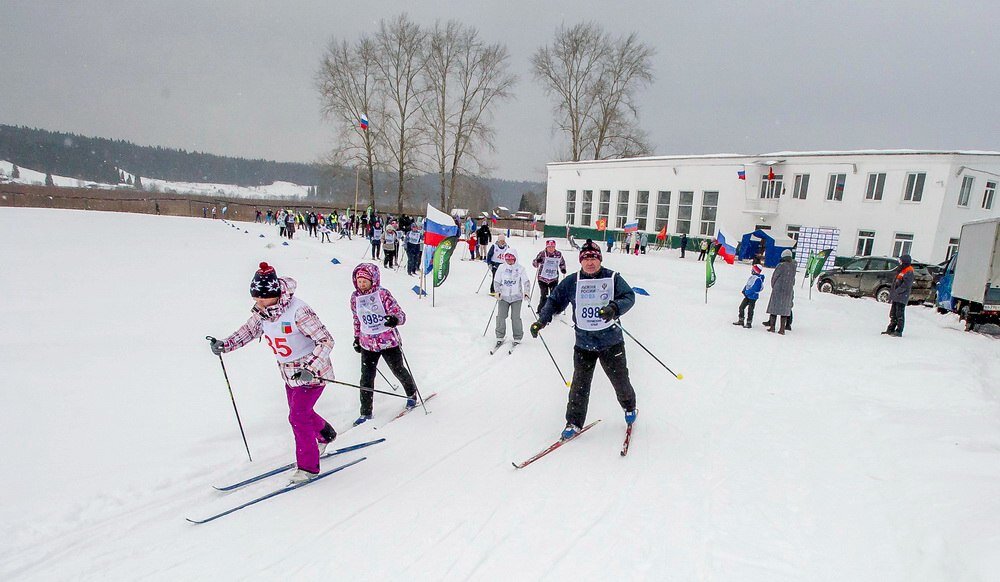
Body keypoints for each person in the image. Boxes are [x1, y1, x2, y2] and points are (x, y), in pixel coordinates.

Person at [208, 262, 337, 484]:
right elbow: (247, 332)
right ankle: (325, 434)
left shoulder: (299, 311)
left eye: (261, 298)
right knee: (300, 413)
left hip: (312, 374)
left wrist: (310, 368)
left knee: (297, 416)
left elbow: (326, 341)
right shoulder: (264, 313)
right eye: (255, 298)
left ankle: (308, 467)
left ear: (275, 294)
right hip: (289, 375)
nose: (257, 302)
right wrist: (225, 344)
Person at [530, 239, 638, 440]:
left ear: (600, 260)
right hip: (584, 344)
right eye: (586, 259)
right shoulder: (573, 281)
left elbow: (629, 296)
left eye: (594, 258)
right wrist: (541, 321)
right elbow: (554, 301)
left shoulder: (612, 277)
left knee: (620, 381)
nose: (590, 263)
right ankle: (573, 422)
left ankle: (630, 407)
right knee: (579, 386)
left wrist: (614, 308)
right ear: (580, 261)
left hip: (610, 342)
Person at [349, 263, 420, 425]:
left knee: (398, 369)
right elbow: (356, 319)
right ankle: (365, 412)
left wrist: (394, 319)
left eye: (365, 281)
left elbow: (400, 314)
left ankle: (411, 394)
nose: (362, 284)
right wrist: (356, 338)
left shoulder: (382, 294)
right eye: (359, 281)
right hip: (368, 344)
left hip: (388, 341)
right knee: (366, 378)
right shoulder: (355, 298)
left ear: (373, 280)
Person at [492, 248, 531, 350]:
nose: (509, 261)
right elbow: (496, 281)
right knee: (501, 316)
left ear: (515, 259)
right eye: (507, 259)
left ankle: (517, 336)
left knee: (515, 317)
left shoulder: (520, 269)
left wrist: (526, 292)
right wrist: (497, 291)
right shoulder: (501, 268)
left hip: (516, 297)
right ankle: (500, 335)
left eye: (511, 259)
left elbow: (526, 281)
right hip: (503, 297)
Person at [763, 249, 796, 334]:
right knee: (784, 311)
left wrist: (774, 286)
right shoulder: (793, 266)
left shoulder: (780, 266)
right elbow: (793, 280)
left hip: (778, 289)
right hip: (788, 290)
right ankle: (782, 329)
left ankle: (772, 327)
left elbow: (774, 277)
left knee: (774, 309)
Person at [531, 239, 567, 315]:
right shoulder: (542, 254)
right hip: (542, 278)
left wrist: (563, 269)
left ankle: (554, 310)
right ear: (546, 247)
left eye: (552, 247)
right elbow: (534, 264)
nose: (551, 249)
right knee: (544, 295)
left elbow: (562, 263)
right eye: (549, 247)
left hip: (553, 278)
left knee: (554, 295)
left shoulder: (558, 254)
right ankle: (541, 310)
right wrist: (538, 261)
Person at [882, 254, 915, 337]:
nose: (899, 262)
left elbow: (906, 285)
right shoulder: (901, 269)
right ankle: (890, 329)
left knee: (899, 314)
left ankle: (899, 331)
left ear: (904, 261)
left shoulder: (909, 271)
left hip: (902, 296)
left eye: (900, 261)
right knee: (893, 313)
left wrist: (897, 291)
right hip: (897, 296)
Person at [733, 264, 765, 328]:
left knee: (750, 310)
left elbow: (754, 288)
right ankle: (741, 320)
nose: (751, 270)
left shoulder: (758, 279)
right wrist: (744, 290)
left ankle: (749, 322)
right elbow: (748, 284)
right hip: (748, 296)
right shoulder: (752, 277)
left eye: (753, 269)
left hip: (753, 297)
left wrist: (747, 292)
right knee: (741, 307)